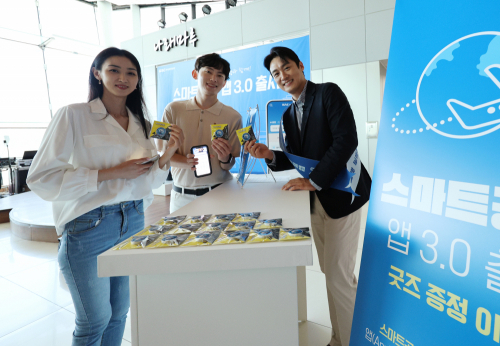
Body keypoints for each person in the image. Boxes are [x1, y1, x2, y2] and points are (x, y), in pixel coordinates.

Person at [26, 47, 184, 346]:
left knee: (119, 313)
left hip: (134, 219)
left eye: (131, 73)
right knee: (93, 320)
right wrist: (111, 173)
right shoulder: (73, 115)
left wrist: (167, 156)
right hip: (89, 226)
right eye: (114, 70)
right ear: (97, 74)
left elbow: (145, 178)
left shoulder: (141, 122)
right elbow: (41, 179)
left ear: (138, 81)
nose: (122, 78)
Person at [245, 46, 372, 346]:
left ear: (300, 66)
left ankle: (352, 340)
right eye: (276, 73)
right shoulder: (289, 114)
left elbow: (345, 140)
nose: (282, 76)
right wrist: (270, 156)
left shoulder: (328, 93)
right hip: (316, 202)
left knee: (339, 276)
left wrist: (314, 181)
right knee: (330, 272)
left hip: (344, 194)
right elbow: (299, 157)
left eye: (286, 68)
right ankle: (339, 337)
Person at [162, 53, 242, 213]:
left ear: (224, 83)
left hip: (220, 194)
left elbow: (230, 163)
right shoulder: (172, 109)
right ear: (195, 74)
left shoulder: (234, 116)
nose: (214, 78)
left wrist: (225, 157)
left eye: (220, 75)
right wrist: (187, 162)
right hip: (180, 197)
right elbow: (161, 155)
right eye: (209, 71)